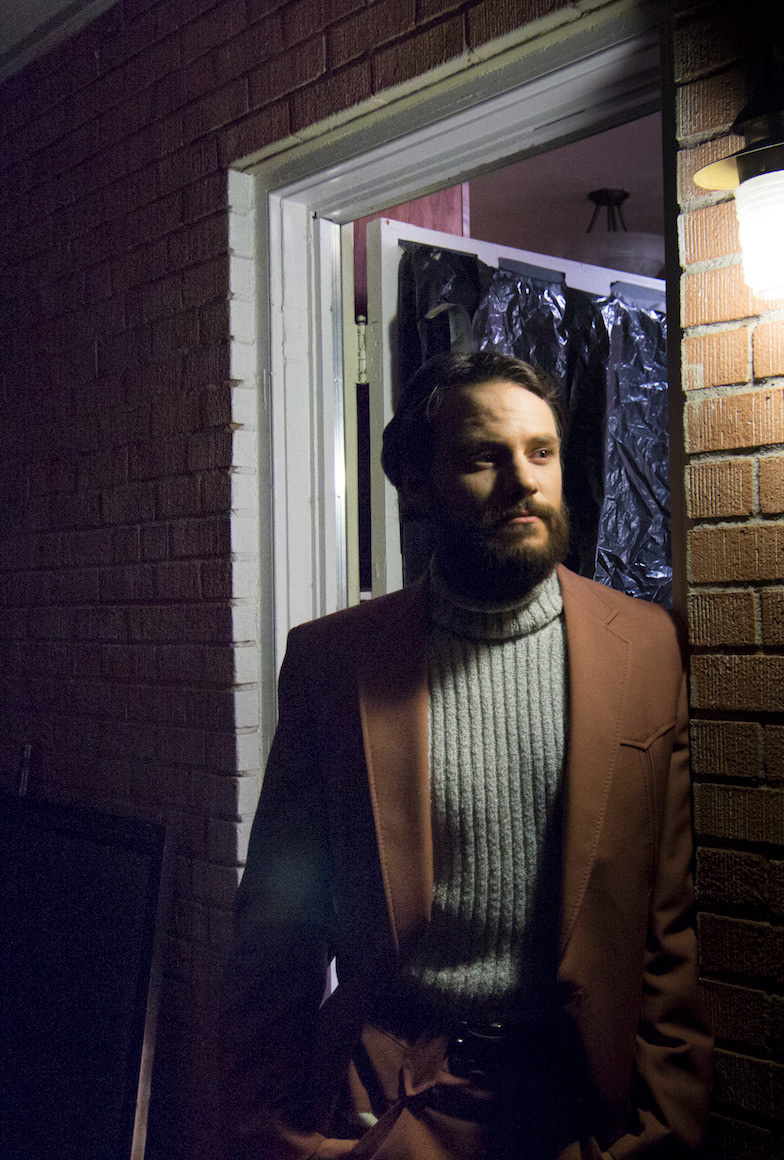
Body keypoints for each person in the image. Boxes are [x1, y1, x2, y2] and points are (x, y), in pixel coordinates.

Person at [228, 351, 712, 1160]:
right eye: (485, 457)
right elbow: (277, 935)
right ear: (418, 484)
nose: (524, 480)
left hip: (573, 1107)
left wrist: (662, 1128)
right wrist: (280, 1138)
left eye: (541, 452)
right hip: (391, 1106)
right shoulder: (333, 663)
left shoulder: (648, 648)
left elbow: (670, 933)